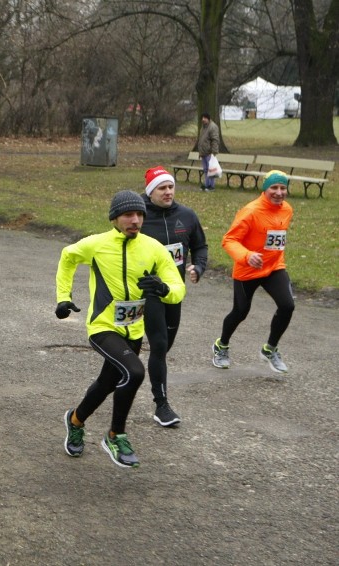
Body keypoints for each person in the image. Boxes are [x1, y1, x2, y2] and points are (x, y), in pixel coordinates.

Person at [57, 190, 185, 468]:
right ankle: (115, 435)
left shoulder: (153, 248)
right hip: (103, 326)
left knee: (107, 383)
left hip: (133, 330)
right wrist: (63, 297)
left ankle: (75, 420)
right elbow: (67, 257)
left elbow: (178, 287)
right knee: (136, 372)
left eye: (140, 214)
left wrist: (164, 290)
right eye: (128, 215)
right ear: (115, 218)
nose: (135, 220)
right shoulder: (97, 244)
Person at [140, 166, 208, 427]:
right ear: (150, 191)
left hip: (174, 291)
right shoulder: (139, 216)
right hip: (147, 292)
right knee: (158, 345)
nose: (168, 192)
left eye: (170, 186)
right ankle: (162, 406)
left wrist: (198, 267)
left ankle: (146, 375)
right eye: (162, 188)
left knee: (164, 346)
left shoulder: (187, 216)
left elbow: (200, 246)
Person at [211, 171, 295, 374]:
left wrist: (271, 257)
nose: (278, 192)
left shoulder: (287, 210)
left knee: (287, 305)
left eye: (282, 188)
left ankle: (270, 349)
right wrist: (247, 256)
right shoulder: (250, 211)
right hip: (248, 269)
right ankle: (221, 346)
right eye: (274, 188)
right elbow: (229, 240)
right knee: (240, 312)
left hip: (274, 267)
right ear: (265, 189)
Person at [197, 112, 220, 192]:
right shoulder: (203, 127)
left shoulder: (212, 127)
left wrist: (214, 152)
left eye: (205, 118)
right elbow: (202, 139)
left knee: (211, 170)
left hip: (209, 153)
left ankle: (211, 186)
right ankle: (207, 185)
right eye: (202, 118)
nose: (203, 119)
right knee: (206, 170)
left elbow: (215, 140)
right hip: (203, 153)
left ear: (208, 118)